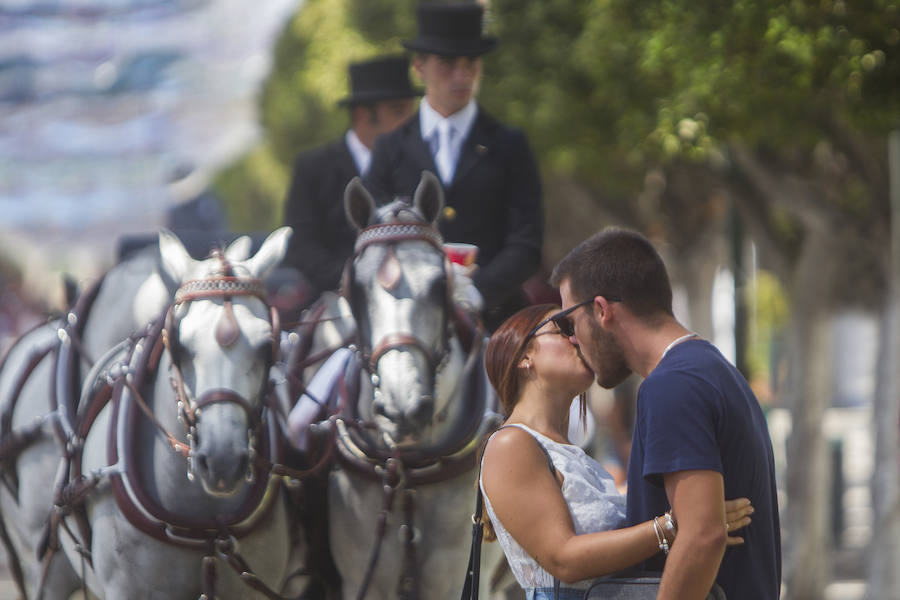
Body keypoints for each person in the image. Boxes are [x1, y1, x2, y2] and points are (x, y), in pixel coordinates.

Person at [549, 227, 782, 600]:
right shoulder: (708, 369)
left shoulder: (673, 384)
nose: (572, 339)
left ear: (601, 310)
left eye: (567, 323)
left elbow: (703, 535)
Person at [480, 304, 754, 599]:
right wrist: (677, 526)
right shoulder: (510, 445)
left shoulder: (571, 452)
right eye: (564, 329)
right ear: (524, 356)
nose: (578, 338)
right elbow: (564, 559)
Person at [365, 1, 543, 331]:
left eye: (471, 63)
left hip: (496, 317)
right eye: (448, 64)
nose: (462, 75)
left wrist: (477, 291)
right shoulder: (390, 149)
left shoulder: (509, 143)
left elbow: (527, 241)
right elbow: (373, 235)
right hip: (409, 321)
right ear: (419, 66)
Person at [282, 54, 421, 302]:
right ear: (363, 115)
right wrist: (350, 278)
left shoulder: (417, 165)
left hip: (407, 299)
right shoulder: (314, 167)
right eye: (398, 111)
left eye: (411, 111)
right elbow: (300, 246)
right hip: (334, 301)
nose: (410, 123)